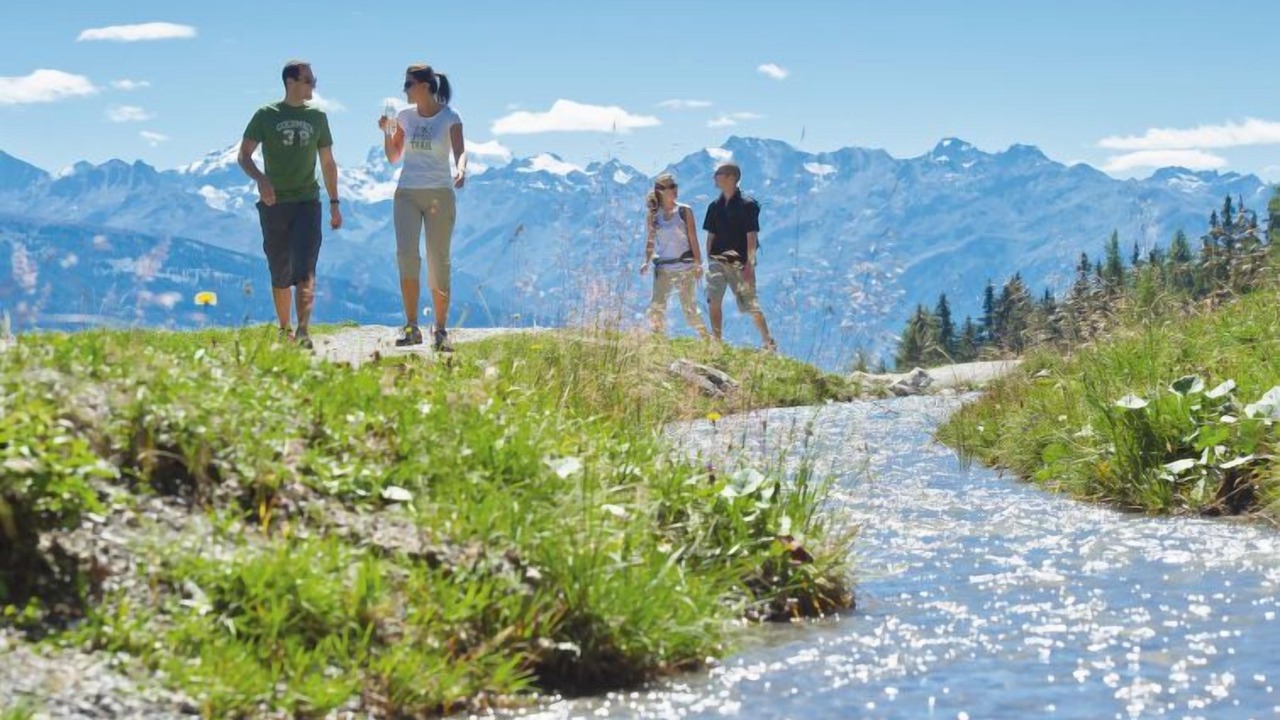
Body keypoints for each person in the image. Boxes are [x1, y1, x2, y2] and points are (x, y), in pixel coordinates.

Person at [237, 59, 341, 349]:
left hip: (308, 201)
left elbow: (328, 162)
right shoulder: (266, 115)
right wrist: (260, 178)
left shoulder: (318, 117)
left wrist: (334, 202)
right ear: (291, 82)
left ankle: (304, 331)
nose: (314, 85)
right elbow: (244, 155)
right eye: (308, 80)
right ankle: (285, 329)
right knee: (280, 269)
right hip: (274, 203)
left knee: (306, 267)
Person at [378, 64, 466, 351]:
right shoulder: (404, 117)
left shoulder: (450, 117)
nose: (404, 90)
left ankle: (440, 330)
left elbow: (460, 150)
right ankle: (412, 326)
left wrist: (462, 169)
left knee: (438, 258)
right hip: (406, 193)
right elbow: (393, 156)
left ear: (425, 86)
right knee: (407, 256)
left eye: (408, 84)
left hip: (439, 194)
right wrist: (387, 132)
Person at [703, 162, 776, 350]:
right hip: (717, 262)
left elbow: (751, 237)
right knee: (713, 300)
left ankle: (768, 341)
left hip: (740, 264)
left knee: (750, 304)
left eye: (718, 173)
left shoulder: (748, 205)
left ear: (731, 178)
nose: (715, 176)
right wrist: (710, 259)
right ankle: (717, 341)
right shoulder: (713, 206)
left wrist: (749, 266)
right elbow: (710, 236)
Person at [639, 173, 709, 339]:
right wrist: (646, 262)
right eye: (670, 187)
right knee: (657, 308)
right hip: (663, 268)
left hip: (685, 267)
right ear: (660, 191)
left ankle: (707, 339)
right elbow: (650, 242)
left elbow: (693, 239)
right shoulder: (653, 215)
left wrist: (698, 265)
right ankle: (658, 342)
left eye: (675, 185)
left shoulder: (684, 211)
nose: (675, 189)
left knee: (690, 311)